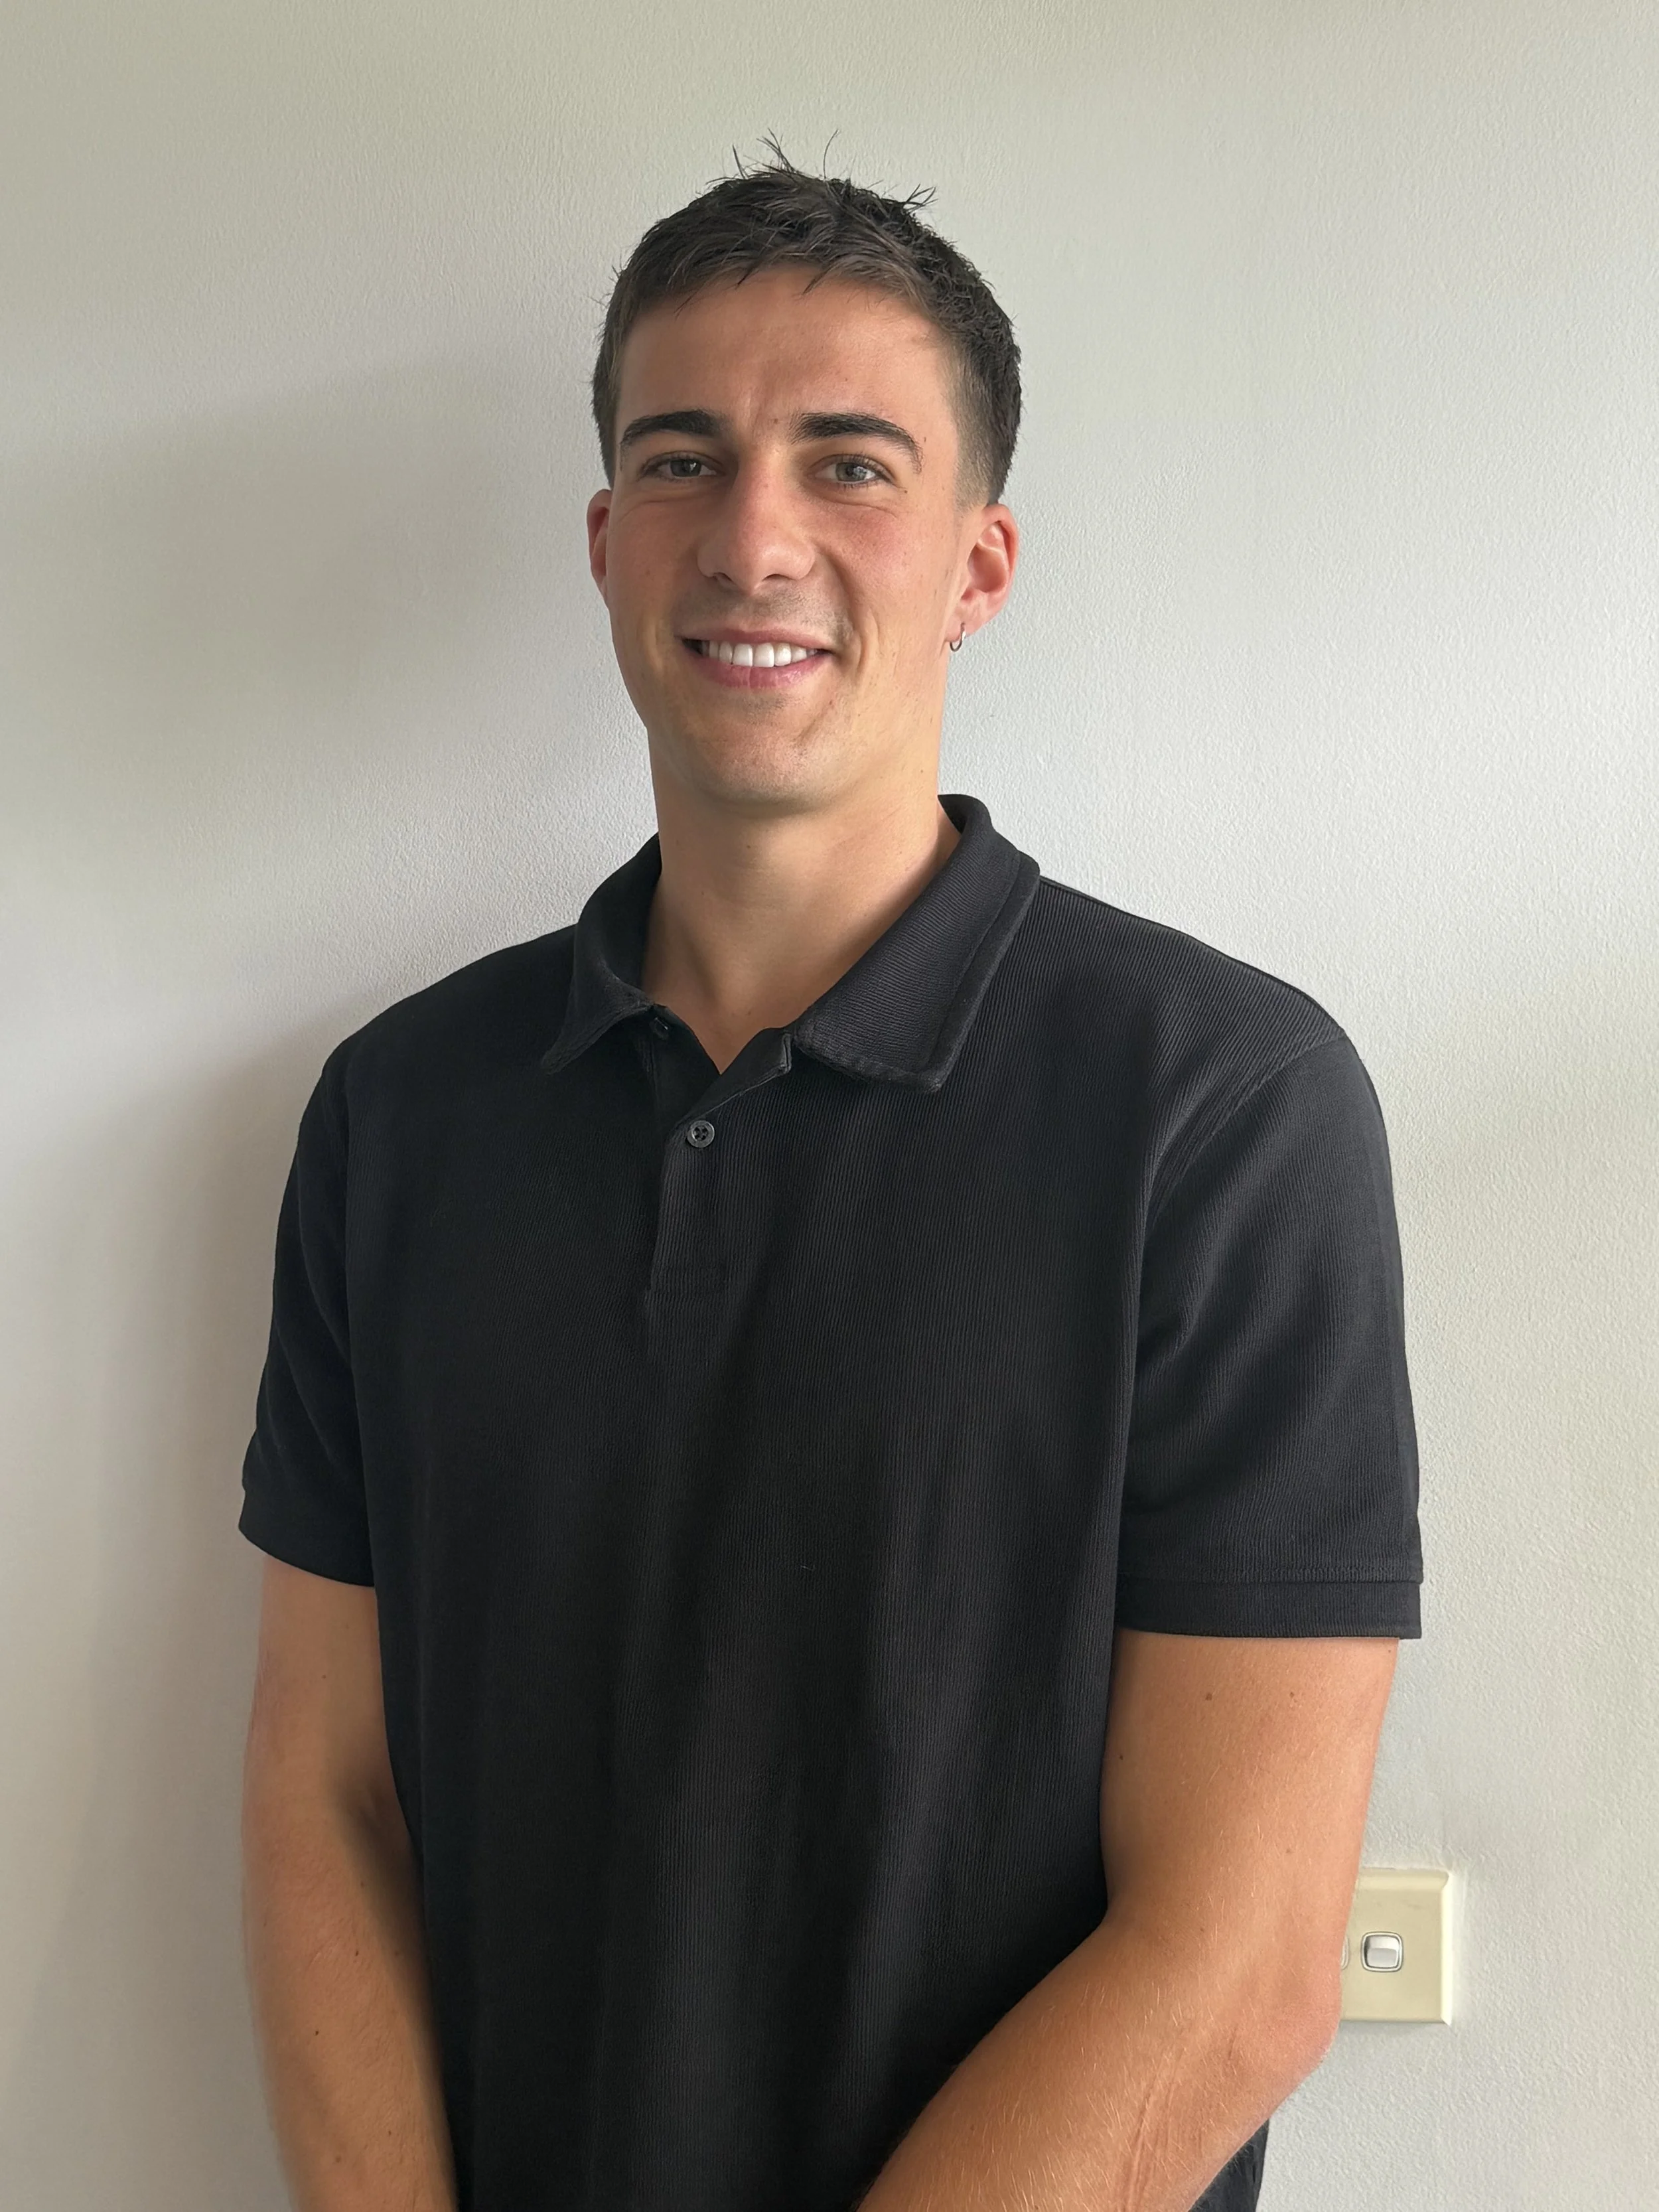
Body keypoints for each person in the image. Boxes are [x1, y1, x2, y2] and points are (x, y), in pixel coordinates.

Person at [238, 147, 1422, 2212]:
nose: (752, 535)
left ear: (977, 563)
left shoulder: (1222, 1106)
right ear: (608, 544)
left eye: (848, 464)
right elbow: (323, 1793)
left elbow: (1238, 1964)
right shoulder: (399, 1112)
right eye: (682, 462)